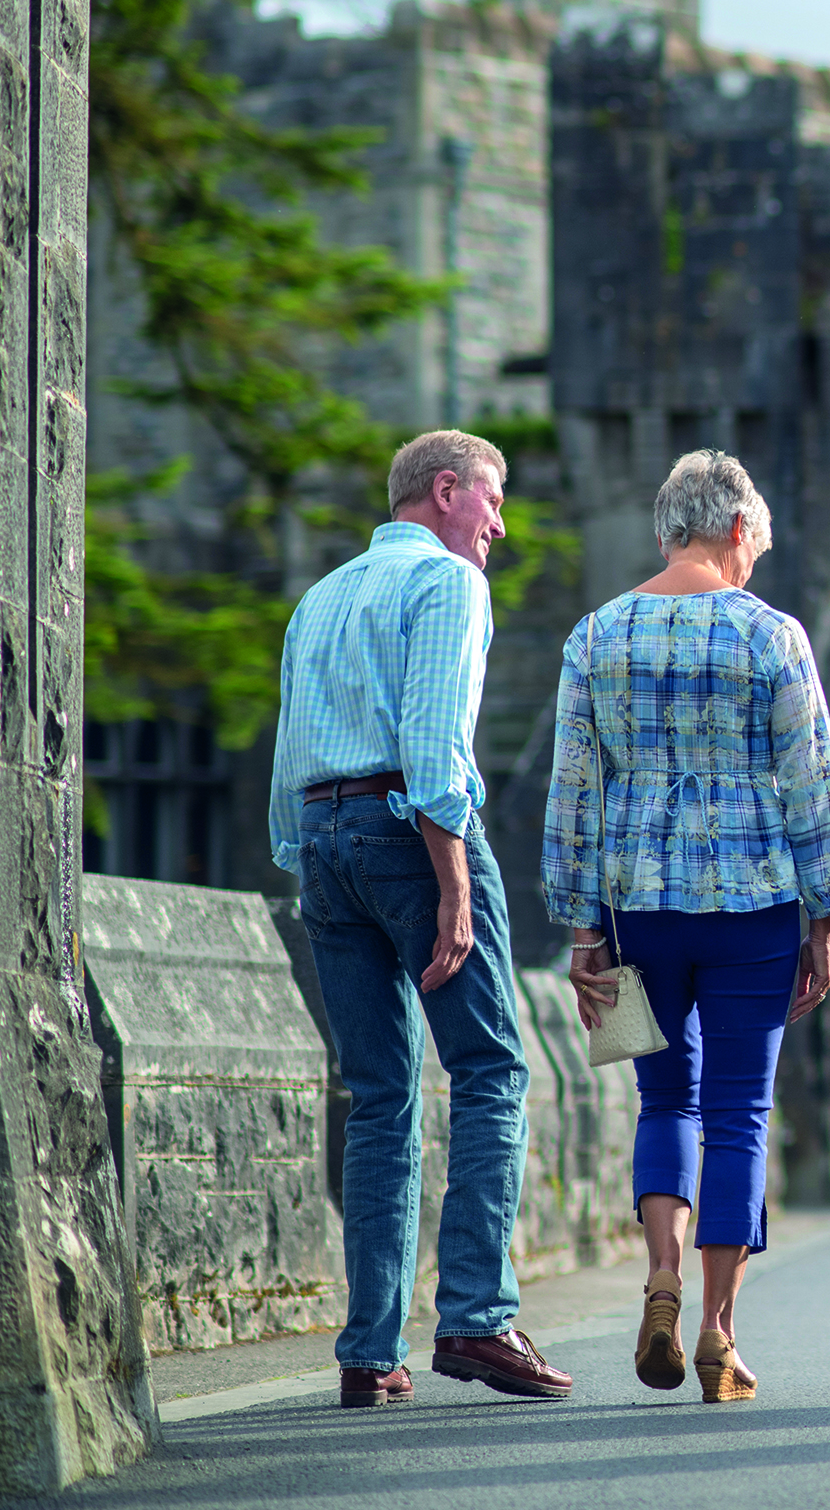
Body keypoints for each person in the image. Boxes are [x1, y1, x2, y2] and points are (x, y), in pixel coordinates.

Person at [269, 429, 574, 1408]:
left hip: (320, 836)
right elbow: (435, 743)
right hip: (413, 827)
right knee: (490, 1067)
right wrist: (452, 882)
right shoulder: (447, 584)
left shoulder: (319, 597)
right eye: (492, 499)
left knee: (381, 1094)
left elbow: (288, 765)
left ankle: (369, 1348)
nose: (499, 522)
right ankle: (479, 1317)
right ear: (445, 491)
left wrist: (313, 863)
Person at [546, 450, 830, 1405]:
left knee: (664, 1103)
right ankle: (720, 1332)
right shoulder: (772, 639)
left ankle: (662, 1285)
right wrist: (825, 915)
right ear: (732, 533)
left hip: (639, 906)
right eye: (752, 550)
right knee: (738, 1115)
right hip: (752, 903)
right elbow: (810, 781)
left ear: (664, 530)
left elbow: (573, 794)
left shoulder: (596, 636)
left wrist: (581, 924)